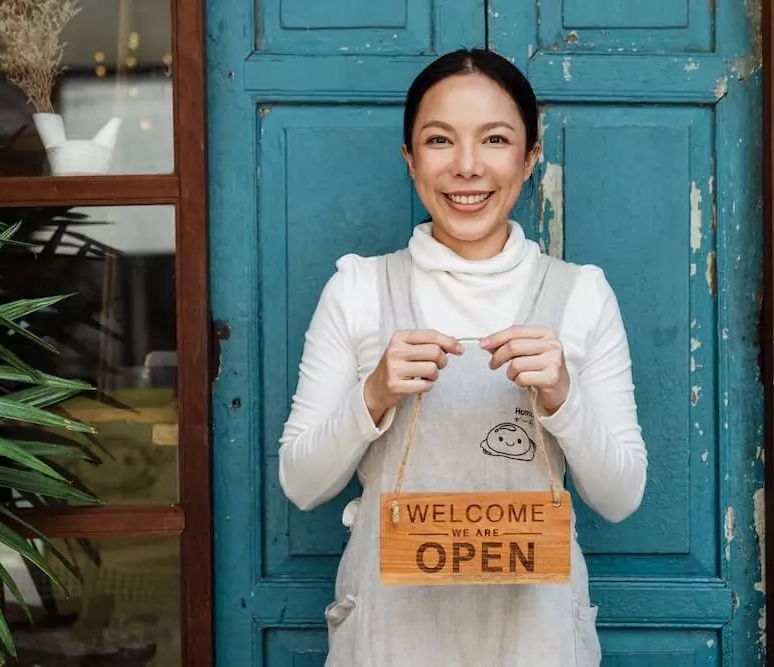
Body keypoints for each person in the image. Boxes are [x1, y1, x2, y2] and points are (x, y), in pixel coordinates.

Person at [278, 48, 648, 667]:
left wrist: (563, 399)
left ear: (530, 158)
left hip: (538, 642)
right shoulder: (359, 289)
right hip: (390, 641)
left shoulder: (582, 294)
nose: (467, 167)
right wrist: (372, 396)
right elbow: (300, 483)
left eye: (496, 139)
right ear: (410, 159)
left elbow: (621, 497)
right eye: (440, 140)